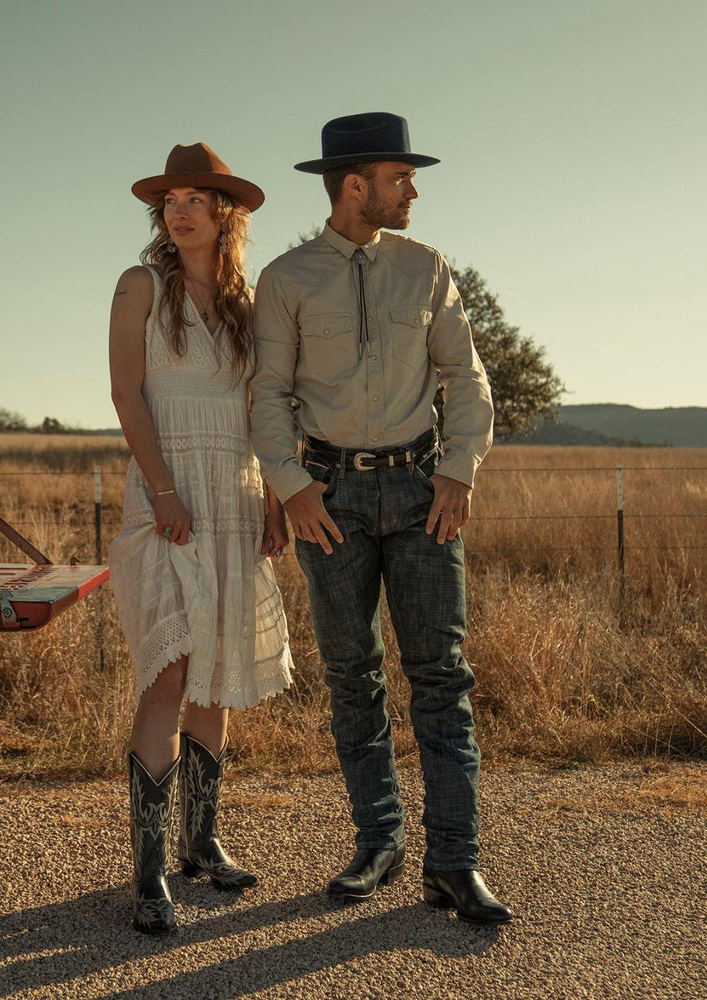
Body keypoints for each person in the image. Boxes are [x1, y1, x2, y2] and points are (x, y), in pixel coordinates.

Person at [250, 112, 511, 923]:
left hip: (421, 493)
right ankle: (378, 842)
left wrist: (458, 470)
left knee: (441, 677)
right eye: (401, 178)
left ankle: (455, 863)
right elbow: (268, 393)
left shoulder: (426, 268)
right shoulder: (287, 279)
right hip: (329, 501)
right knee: (352, 677)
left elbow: (466, 375)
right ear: (355, 185)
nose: (413, 191)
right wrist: (291, 485)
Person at [108, 142, 293, 935]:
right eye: (170, 201)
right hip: (168, 495)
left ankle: (201, 842)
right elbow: (126, 393)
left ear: (226, 214)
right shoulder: (140, 286)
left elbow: (262, 411)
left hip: (234, 496)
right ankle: (149, 870)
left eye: (195, 200)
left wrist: (276, 498)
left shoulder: (247, 304)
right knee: (169, 673)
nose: (179, 212)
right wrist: (163, 489)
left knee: (214, 673)